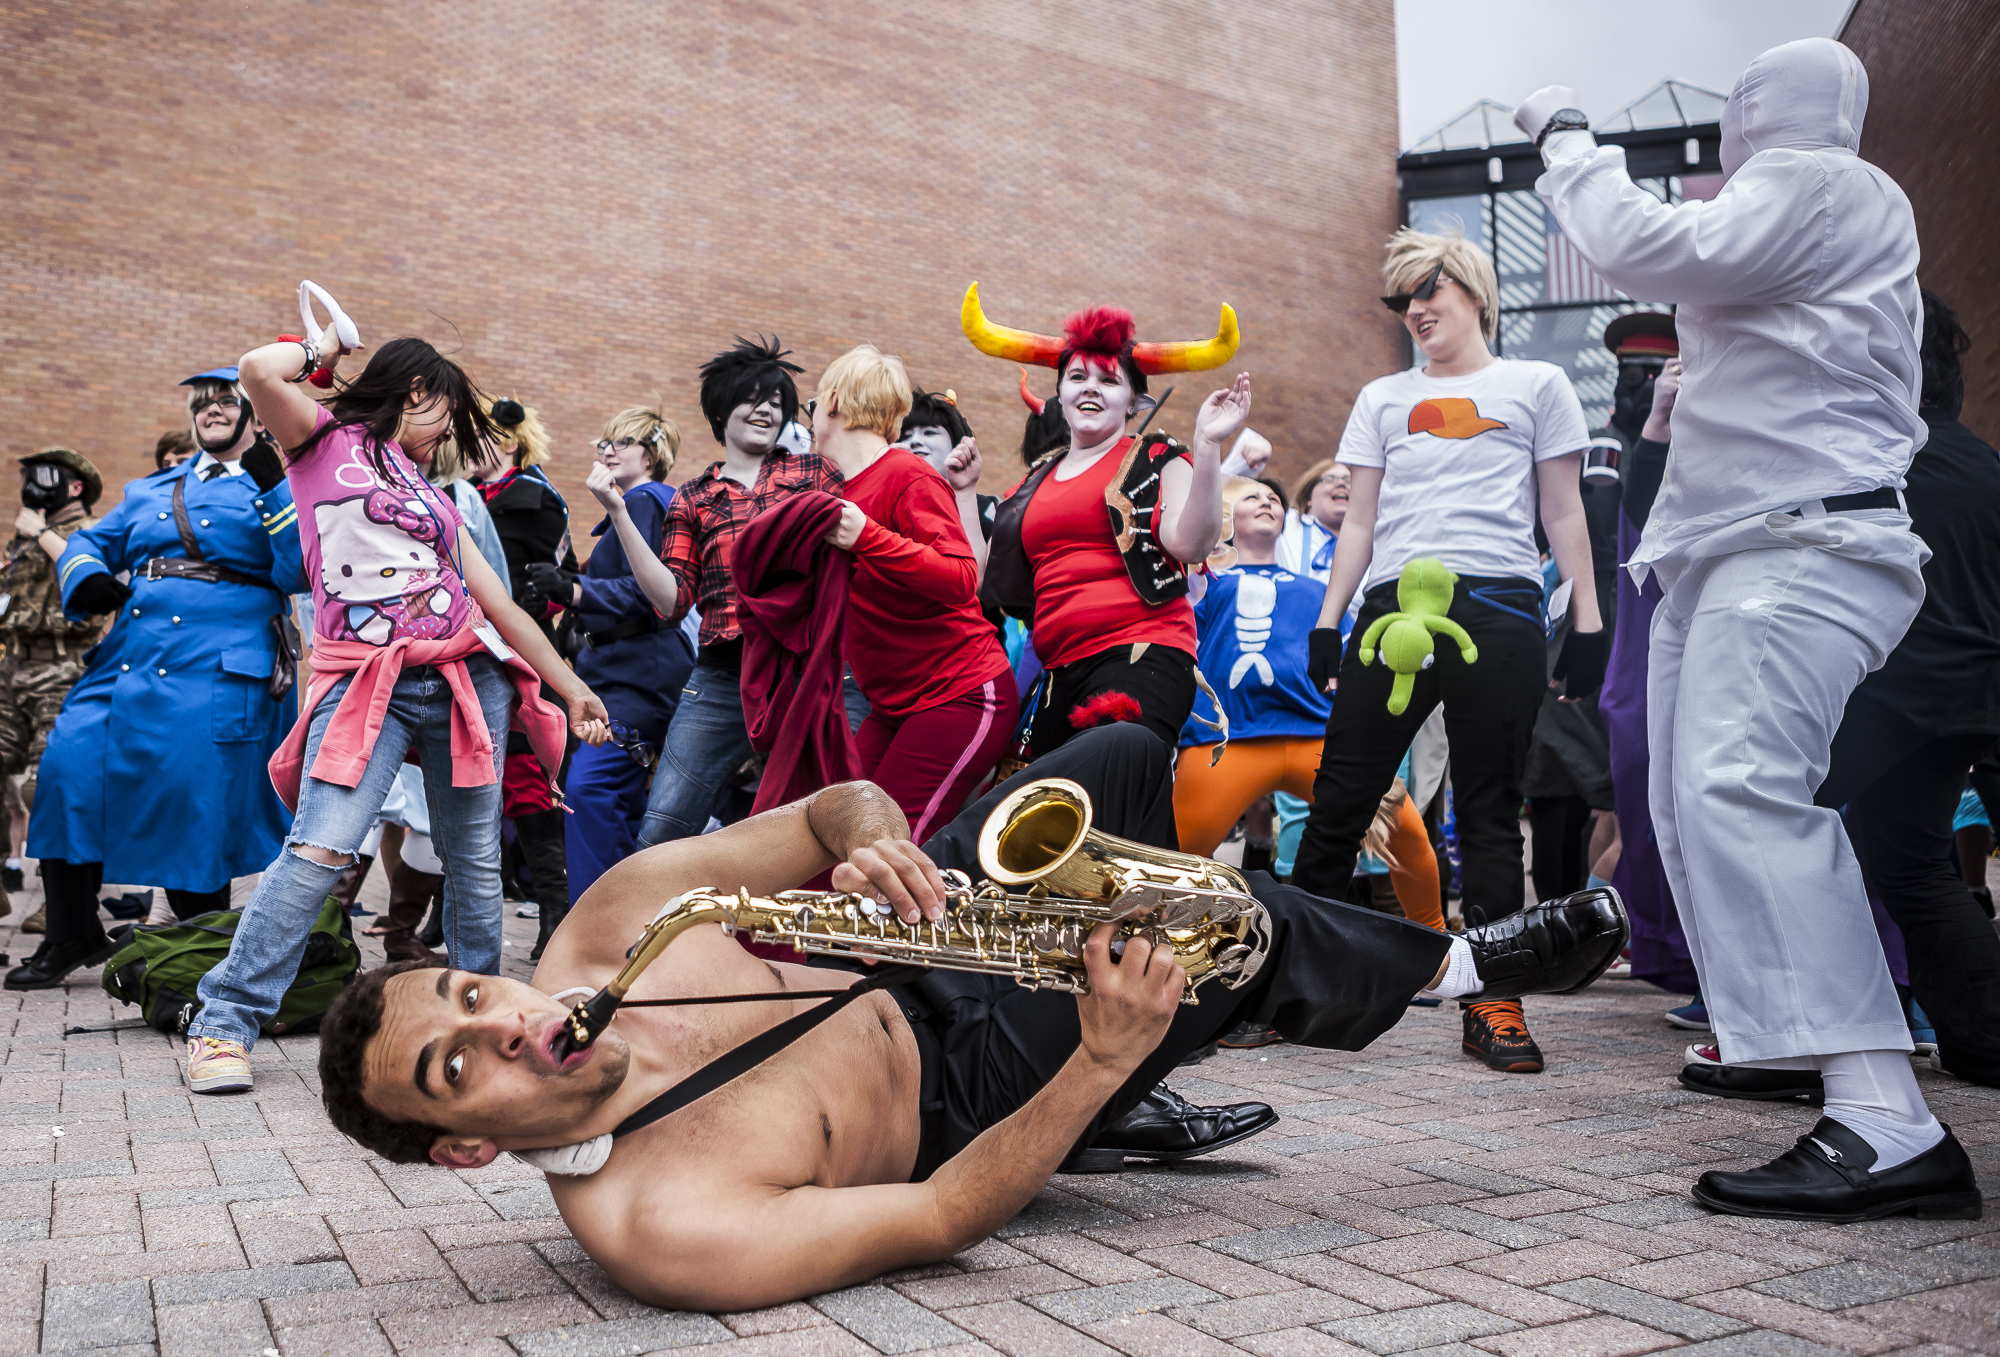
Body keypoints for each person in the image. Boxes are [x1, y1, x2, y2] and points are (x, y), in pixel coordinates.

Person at [312, 721, 1629, 1312]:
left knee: (1114, 759)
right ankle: (1457, 968)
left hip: (915, 928)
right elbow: (943, 1219)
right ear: (466, 1147)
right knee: (1201, 938)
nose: (503, 1021)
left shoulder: (606, 928)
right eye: (458, 1065)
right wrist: (1095, 1057)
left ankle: (1176, 1046)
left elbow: (834, 808)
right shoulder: (663, 1232)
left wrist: (878, 834)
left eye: (474, 991)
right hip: (968, 1081)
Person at [1513, 37, 1983, 1219]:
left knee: (1737, 788)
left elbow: (1649, 243)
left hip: (1798, 543)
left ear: (1764, 111)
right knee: (1693, 803)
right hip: (1739, 545)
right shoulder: (1819, 211)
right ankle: (1803, 1054)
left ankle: (1884, 1118)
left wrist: (1566, 136)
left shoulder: (1819, 178)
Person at [178, 320, 610, 1096]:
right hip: (364, 681)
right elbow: (254, 369)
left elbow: (501, 607)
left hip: (464, 679)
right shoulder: (322, 443)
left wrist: (570, 684)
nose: (449, 431)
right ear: (418, 393)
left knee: (474, 861)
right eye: (446, 411)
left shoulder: (436, 494)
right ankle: (223, 1021)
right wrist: (327, 351)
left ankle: (481, 1022)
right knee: (321, 846)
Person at [1290, 228, 1604, 1077]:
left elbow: (1564, 511)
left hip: (1500, 604)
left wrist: (1588, 622)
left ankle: (1493, 999)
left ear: (1473, 289)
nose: (1414, 310)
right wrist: (1330, 617)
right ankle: (1290, 983)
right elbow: (1358, 519)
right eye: (1400, 300)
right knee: (1341, 797)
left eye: (1427, 290)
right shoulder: (1383, 395)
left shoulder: (1536, 382)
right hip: (1390, 608)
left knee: (1492, 809)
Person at [1681, 290, 2000, 1097]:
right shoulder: (1983, 461)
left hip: (1891, 692)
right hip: (1975, 696)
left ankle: (1799, 1038)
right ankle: (1982, 1039)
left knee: (1759, 821)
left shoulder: (1867, 461)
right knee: (1912, 865)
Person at [13, 368, 305, 990]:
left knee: (192, 799)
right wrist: (85, 573)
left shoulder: (279, 487)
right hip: (130, 658)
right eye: (204, 402)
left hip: (219, 664)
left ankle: (197, 955)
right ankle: (71, 932)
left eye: (228, 400)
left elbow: (299, 572)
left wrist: (275, 483)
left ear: (254, 416)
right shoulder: (151, 489)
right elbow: (90, 539)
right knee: (66, 770)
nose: (212, 409)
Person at [964, 288, 1250, 755]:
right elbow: (982, 580)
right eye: (1077, 376)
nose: (1091, 387)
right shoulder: (1034, 481)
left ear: (1134, 400)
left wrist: (1207, 445)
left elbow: (1192, 546)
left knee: (1105, 779)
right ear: (1060, 393)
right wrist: (963, 491)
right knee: (1042, 816)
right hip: (1056, 674)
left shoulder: (1157, 456)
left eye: (1109, 380)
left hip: (1141, 659)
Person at [605, 336, 843, 848]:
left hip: (807, 668)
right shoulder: (694, 495)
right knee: (664, 825)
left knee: (810, 819)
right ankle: (649, 928)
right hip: (722, 673)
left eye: (776, 403)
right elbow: (671, 604)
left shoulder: (816, 474)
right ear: (722, 409)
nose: (765, 410)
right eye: (752, 398)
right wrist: (619, 512)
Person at [1174, 479, 1440, 927]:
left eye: (1274, 499)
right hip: (1227, 741)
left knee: (1408, 835)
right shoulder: (1203, 586)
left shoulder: (1322, 590)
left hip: (1319, 739)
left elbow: (1357, 651)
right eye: (1252, 497)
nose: (1267, 502)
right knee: (1166, 861)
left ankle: (1438, 951)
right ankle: (1131, 953)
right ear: (1226, 518)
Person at [795, 346, 1019, 837]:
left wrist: (868, 537)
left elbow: (962, 579)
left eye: (812, 403)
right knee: (836, 836)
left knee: (884, 847)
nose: (809, 417)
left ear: (832, 402)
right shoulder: (838, 493)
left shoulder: (906, 474)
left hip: (961, 695)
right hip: (895, 706)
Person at [1590, 316, 1700, 996]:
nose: (1642, 385)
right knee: (1628, 779)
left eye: (1653, 373)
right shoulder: (1610, 445)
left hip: (1662, 613)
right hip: (1622, 622)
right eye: (1633, 376)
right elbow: (1604, 537)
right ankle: (1641, 930)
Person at [564, 408, 696, 902]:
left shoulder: (644, 498)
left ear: (654, 452)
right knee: (617, 800)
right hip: (627, 673)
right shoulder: (640, 502)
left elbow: (654, 593)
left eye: (624, 441)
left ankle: (595, 926)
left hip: (638, 676)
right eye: (605, 441)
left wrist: (574, 592)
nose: (609, 450)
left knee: (590, 791)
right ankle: (623, 923)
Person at [473, 397, 577, 953]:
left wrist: (526, 635)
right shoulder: (453, 494)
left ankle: (554, 917)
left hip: (516, 658)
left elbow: (559, 580)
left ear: (509, 441)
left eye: (482, 435)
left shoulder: (535, 499)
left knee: (528, 782)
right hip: (462, 652)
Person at [0, 449, 106, 936]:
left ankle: (61, 904)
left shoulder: (89, 533)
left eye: (44, 476)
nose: (32, 484)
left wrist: (40, 536)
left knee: (48, 786)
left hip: (64, 668)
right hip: (13, 666)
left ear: (75, 486)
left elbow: (92, 592)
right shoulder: (23, 539)